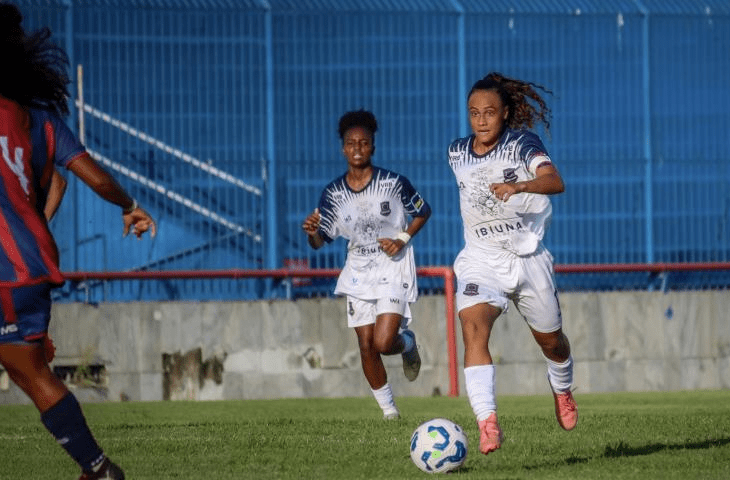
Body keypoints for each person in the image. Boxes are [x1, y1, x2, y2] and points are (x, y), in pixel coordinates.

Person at [0, 4, 156, 479]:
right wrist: (130, 205)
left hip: (7, 271)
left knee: (31, 374)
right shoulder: (42, 118)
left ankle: (100, 469)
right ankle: (97, 469)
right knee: (30, 372)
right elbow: (83, 179)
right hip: (31, 267)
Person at [447, 72, 577, 455]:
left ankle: (562, 387)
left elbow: (554, 181)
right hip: (481, 258)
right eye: (474, 113)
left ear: (505, 113)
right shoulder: (456, 152)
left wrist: (519, 186)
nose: (481, 120)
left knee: (553, 343)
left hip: (527, 258)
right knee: (473, 327)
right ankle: (487, 423)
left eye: (489, 112)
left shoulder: (522, 143)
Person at [302, 109, 431, 419]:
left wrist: (402, 238)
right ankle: (389, 412)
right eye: (351, 143)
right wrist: (311, 233)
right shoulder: (333, 194)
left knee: (384, 342)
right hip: (358, 271)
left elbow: (423, 210)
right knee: (366, 345)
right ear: (343, 148)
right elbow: (320, 241)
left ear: (373, 146)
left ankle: (407, 344)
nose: (357, 148)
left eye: (363, 142)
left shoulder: (393, 182)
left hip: (392, 264)